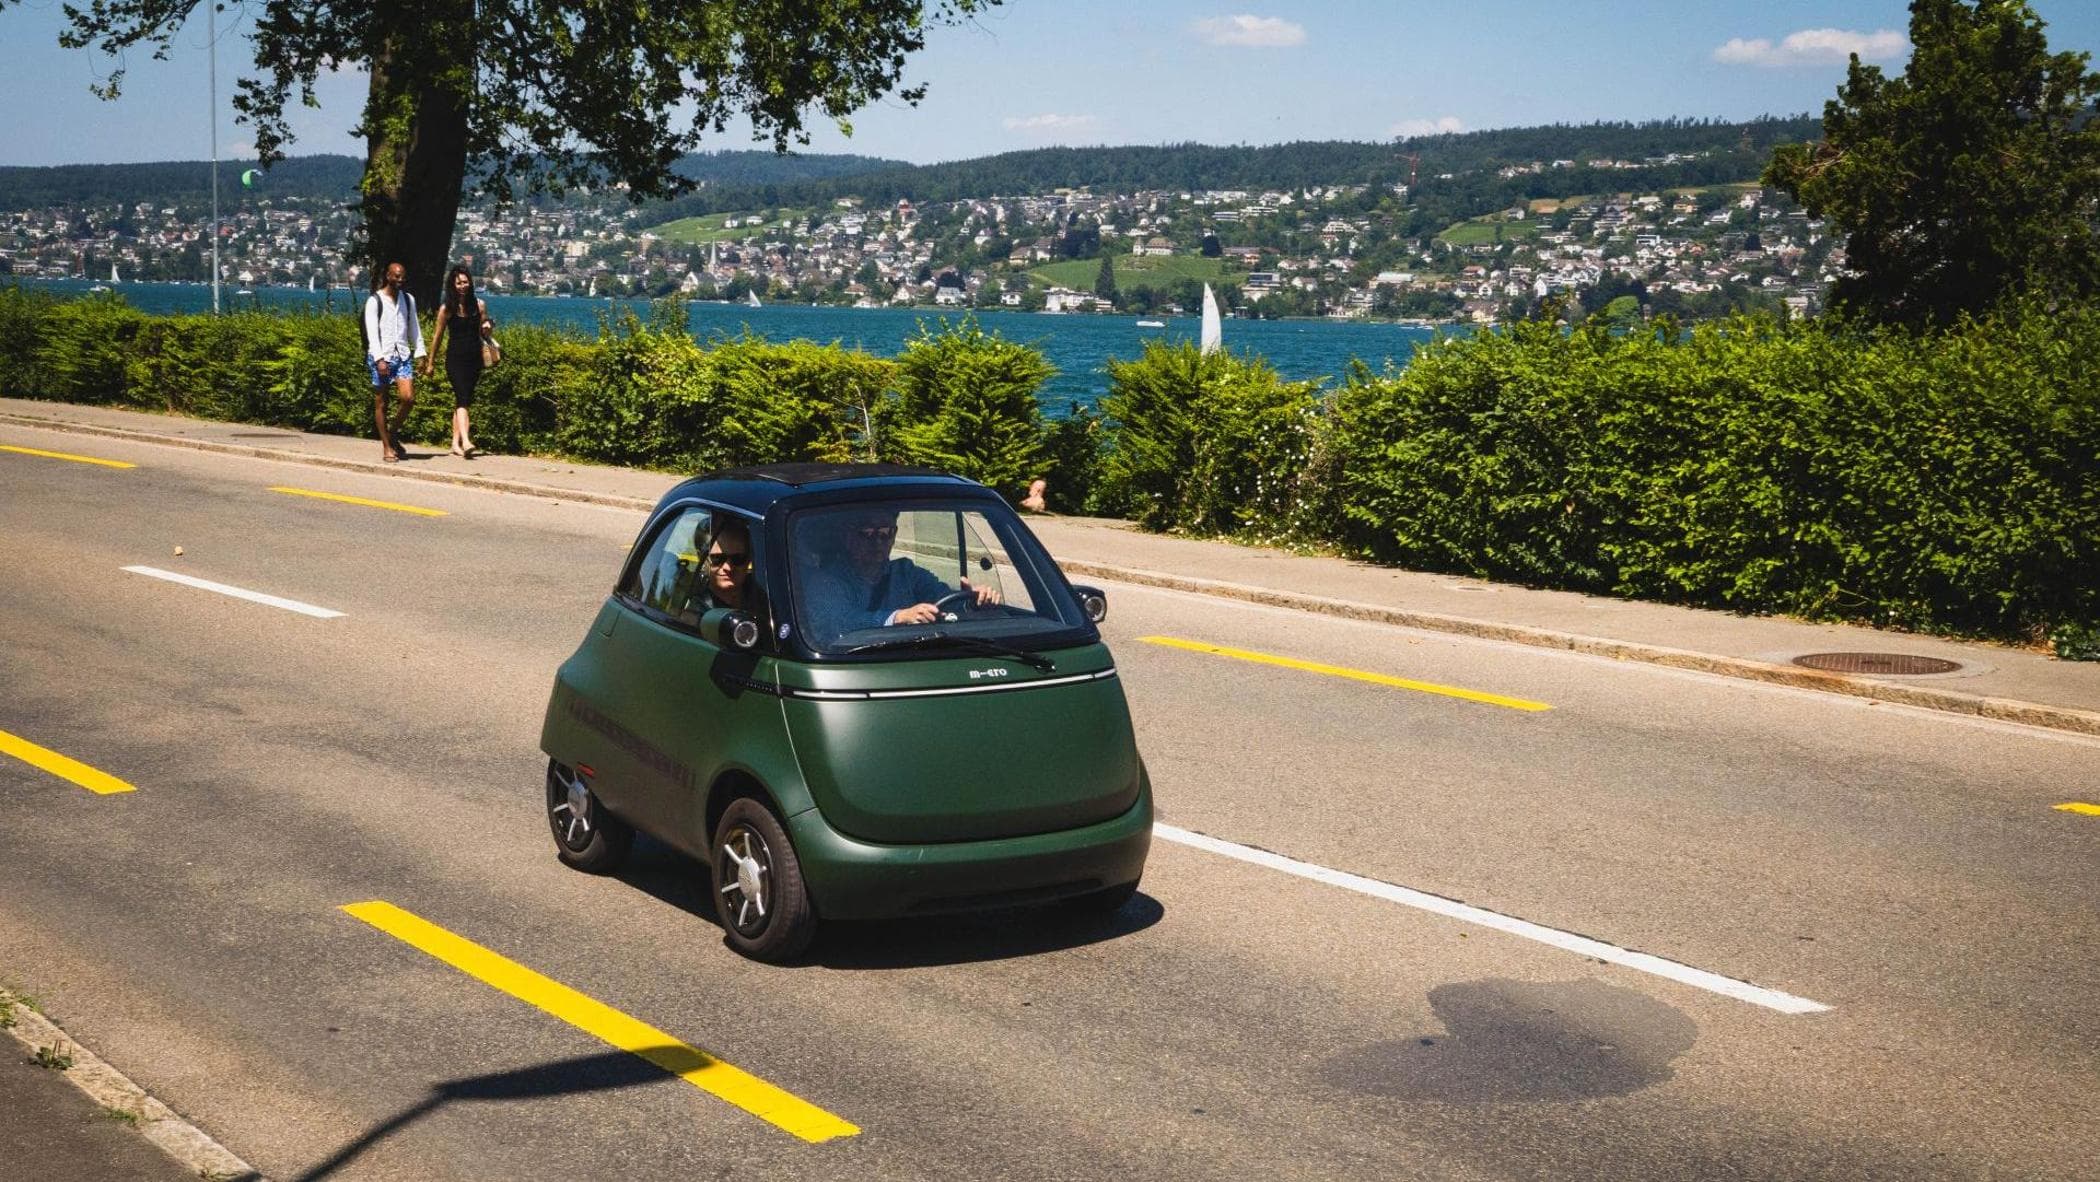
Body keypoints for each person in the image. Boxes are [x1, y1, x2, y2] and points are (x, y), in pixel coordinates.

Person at [800, 509, 997, 641]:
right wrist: (898, 617)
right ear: (848, 536)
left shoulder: (907, 573)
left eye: (885, 532)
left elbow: (941, 596)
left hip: (917, 657)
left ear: (894, 535)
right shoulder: (825, 580)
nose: (878, 542)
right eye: (868, 533)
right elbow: (839, 623)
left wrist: (973, 601)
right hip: (859, 665)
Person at [423, 264, 493, 458]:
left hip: (474, 358)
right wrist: (430, 362)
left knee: (463, 401)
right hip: (455, 359)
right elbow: (437, 337)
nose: (462, 286)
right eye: (458, 283)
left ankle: (455, 443)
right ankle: (466, 440)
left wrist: (488, 327)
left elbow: (484, 329)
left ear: (470, 282)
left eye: (465, 282)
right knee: (462, 398)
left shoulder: (479, 305)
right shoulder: (447, 309)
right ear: (452, 286)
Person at [362, 261, 424, 462]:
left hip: (403, 356)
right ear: (388, 276)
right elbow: (372, 332)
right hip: (382, 357)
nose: (400, 280)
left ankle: (391, 432)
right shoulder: (375, 301)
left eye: (402, 276)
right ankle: (386, 446)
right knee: (382, 403)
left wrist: (420, 352)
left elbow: (414, 327)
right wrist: (379, 359)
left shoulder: (408, 299)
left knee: (408, 398)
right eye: (396, 276)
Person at [699, 519, 754, 612]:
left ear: (749, 559)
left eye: (738, 558)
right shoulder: (697, 610)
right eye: (717, 558)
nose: (728, 567)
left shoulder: (766, 596)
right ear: (702, 560)